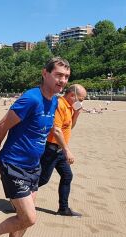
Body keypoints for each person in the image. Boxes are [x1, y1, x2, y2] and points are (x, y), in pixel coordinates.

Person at [0, 57, 71, 237]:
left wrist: (65, 148)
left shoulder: (55, 101)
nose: (62, 80)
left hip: (34, 166)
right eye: (58, 75)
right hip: (14, 164)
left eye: (66, 77)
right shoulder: (31, 98)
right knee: (29, 218)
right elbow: (1, 126)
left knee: (22, 216)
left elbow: (49, 128)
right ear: (45, 73)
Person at [38, 84, 87, 217]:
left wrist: (76, 113)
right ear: (72, 95)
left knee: (67, 176)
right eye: (81, 99)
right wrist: (67, 150)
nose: (81, 102)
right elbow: (56, 130)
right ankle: (19, 199)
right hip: (51, 148)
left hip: (59, 149)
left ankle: (63, 209)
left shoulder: (70, 107)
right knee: (42, 179)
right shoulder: (59, 104)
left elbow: (69, 127)